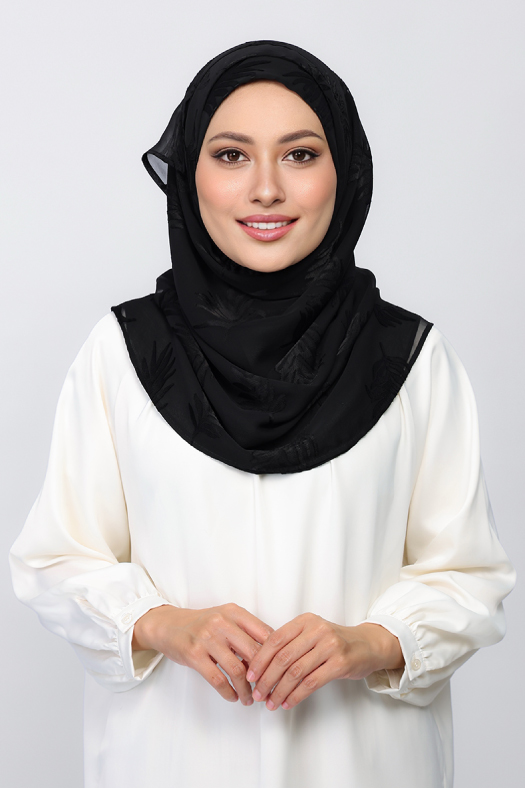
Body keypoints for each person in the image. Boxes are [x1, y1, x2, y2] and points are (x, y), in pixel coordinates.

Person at [9, 40, 515, 788]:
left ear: (346, 172)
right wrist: (164, 625)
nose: (267, 189)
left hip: (362, 765)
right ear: (190, 175)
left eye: (300, 155)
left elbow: (467, 574)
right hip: (172, 761)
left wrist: (371, 642)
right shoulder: (124, 351)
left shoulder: (409, 359)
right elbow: (57, 559)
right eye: (231, 156)